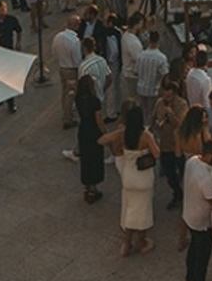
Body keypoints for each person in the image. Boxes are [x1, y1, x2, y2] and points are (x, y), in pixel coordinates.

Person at [102, 105, 160, 256]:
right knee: (143, 211)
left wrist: (117, 149)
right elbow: (157, 153)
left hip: (129, 176)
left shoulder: (122, 133)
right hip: (143, 177)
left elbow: (102, 140)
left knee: (130, 210)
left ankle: (126, 244)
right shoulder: (146, 135)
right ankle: (141, 242)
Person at [182, 140, 212, 281]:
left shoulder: (192, 162)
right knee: (202, 255)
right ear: (211, 154)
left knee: (193, 250)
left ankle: (189, 280)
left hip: (189, 214)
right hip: (202, 221)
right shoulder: (206, 177)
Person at [153, 79, 187, 210]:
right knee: (169, 173)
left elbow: (181, 125)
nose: (165, 96)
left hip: (178, 146)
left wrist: (170, 114)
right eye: (164, 92)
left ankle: (183, 194)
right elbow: (154, 118)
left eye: (169, 93)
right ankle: (177, 193)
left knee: (181, 173)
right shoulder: (159, 103)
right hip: (164, 144)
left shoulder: (182, 104)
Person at [75, 75, 105, 203]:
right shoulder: (95, 101)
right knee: (95, 159)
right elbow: (98, 120)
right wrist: (105, 132)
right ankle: (93, 189)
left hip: (83, 130)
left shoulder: (78, 99)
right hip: (93, 132)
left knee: (86, 159)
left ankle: (87, 186)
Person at [53, 15, 84, 128]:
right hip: (71, 70)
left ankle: (65, 113)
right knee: (71, 94)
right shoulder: (75, 41)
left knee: (64, 92)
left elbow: (54, 52)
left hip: (62, 68)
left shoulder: (58, 36)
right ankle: (68, 118)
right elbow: (77, 59)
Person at [135, 30, 169, 124]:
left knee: (143, 114)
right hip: (154, 90)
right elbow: (165, 75)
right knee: (153, 115)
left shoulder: (140, 55)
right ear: (159, 41)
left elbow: (136, 72)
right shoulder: (161, 57)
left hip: (141, 88)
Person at [120, 15, 144, 105]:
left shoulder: (126, 36)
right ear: (137, 24)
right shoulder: (132, 41)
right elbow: (138, 59)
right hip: (132, 74)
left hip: (127, 71)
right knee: (134, 101)